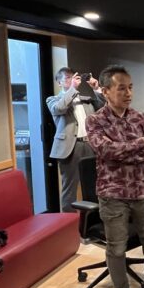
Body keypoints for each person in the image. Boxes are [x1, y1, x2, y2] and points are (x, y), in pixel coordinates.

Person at [86, 65, 144, 288]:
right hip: (113, 194)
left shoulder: (140, 117)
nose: (128, 93)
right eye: (121, 88)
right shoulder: (95, 121)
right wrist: (137, 144)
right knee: (116, 248)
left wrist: (125, 149)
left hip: (142, 190)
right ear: (105, 91)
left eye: (130, 87)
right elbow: (105, 150)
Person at [47, 67, 106, 212]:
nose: (72, 80)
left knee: (93, 184)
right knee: (70, 187)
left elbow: (104, 107)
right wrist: (72, 89)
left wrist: (96, 88)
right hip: (70, 147)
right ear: (59, 82)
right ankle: (70, 222)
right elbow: (59, 108)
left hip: (89, 144)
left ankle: (92, 220)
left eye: (73, 77)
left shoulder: (86, 100)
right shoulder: (53, 100)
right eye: (67, 78)